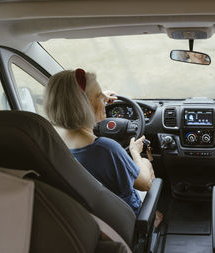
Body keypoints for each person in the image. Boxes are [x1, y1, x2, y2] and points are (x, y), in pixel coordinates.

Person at [44, 68, 163, 226]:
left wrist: (99, 97)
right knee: (145, 164)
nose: (104, 101)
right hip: (123, 220)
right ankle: (152, 218)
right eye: (99, 97)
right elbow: (145, 183)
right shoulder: (106, 149)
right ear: (85, 104)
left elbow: (72, 104)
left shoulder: (50, 141)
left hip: (88, 218)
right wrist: (135, 152)